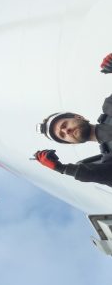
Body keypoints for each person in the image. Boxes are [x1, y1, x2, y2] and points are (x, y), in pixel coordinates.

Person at [34, 53, 112, 186]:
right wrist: (62, 169)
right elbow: (100, 174)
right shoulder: (108, 162)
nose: (66, 130)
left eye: (64, 124)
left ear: (78, 117)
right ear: (71, 143)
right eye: (63, 135)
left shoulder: (110, 106)